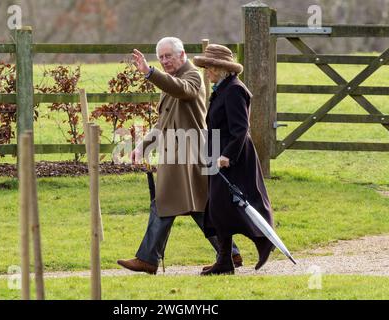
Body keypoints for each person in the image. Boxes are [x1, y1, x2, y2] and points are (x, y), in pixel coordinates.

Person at [117, 37, 242, 275]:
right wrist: (142, 146)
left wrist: (149, 72)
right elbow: (163, 123)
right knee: (198, 206)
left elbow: (182, 90)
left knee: (166, 203)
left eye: (169, 56)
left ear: (182, 55)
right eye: (161, 57)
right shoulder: (171, 83)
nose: (164, 61)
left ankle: (148, 259)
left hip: (189, 154)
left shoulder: (192, 76)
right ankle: (230, 253)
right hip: (178, 155)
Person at [193, 44, 275, 275]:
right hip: (219, 154)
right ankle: (225, 261)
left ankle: (264, 241)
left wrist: (227, 155)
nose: (207, 72)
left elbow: (241, 129)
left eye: (210, 67)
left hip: (233, 158)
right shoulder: (223, 88)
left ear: (221, 68)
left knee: (243, 203)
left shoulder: (234, 90)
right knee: (219, 209)